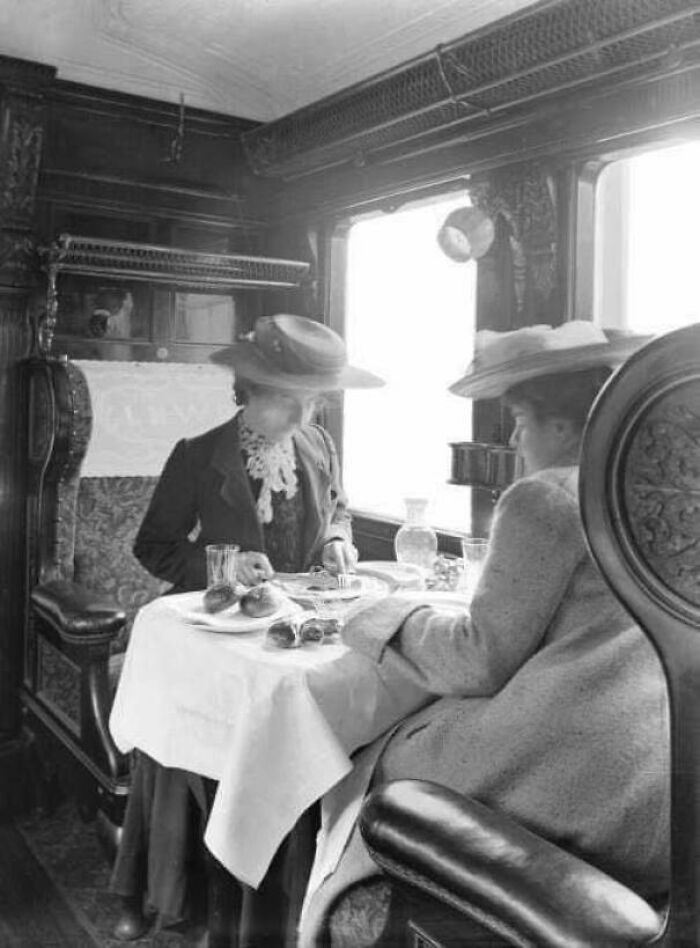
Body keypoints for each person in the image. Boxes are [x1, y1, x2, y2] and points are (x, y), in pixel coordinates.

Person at [299, 320, 670, 948]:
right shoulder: (652, 491)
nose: (519, 440)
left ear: (558, 425)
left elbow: (480, 660)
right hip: (655, 778)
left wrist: (382, 618)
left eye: (521, 422)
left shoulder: (544, 498)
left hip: (570, 771)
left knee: (349, 761)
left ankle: (320, 917)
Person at [110, 313, 383, 941]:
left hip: (297, 637)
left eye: (312, 402)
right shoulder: (198, 456)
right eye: (287, 402)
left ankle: (281, 901)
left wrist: (339, 539)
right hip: (224, 642)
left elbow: (337, 508)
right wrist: (226, 567)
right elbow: (153, 547)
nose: (302, 417)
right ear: (249, 390)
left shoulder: (318, 446)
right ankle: (190, 890)